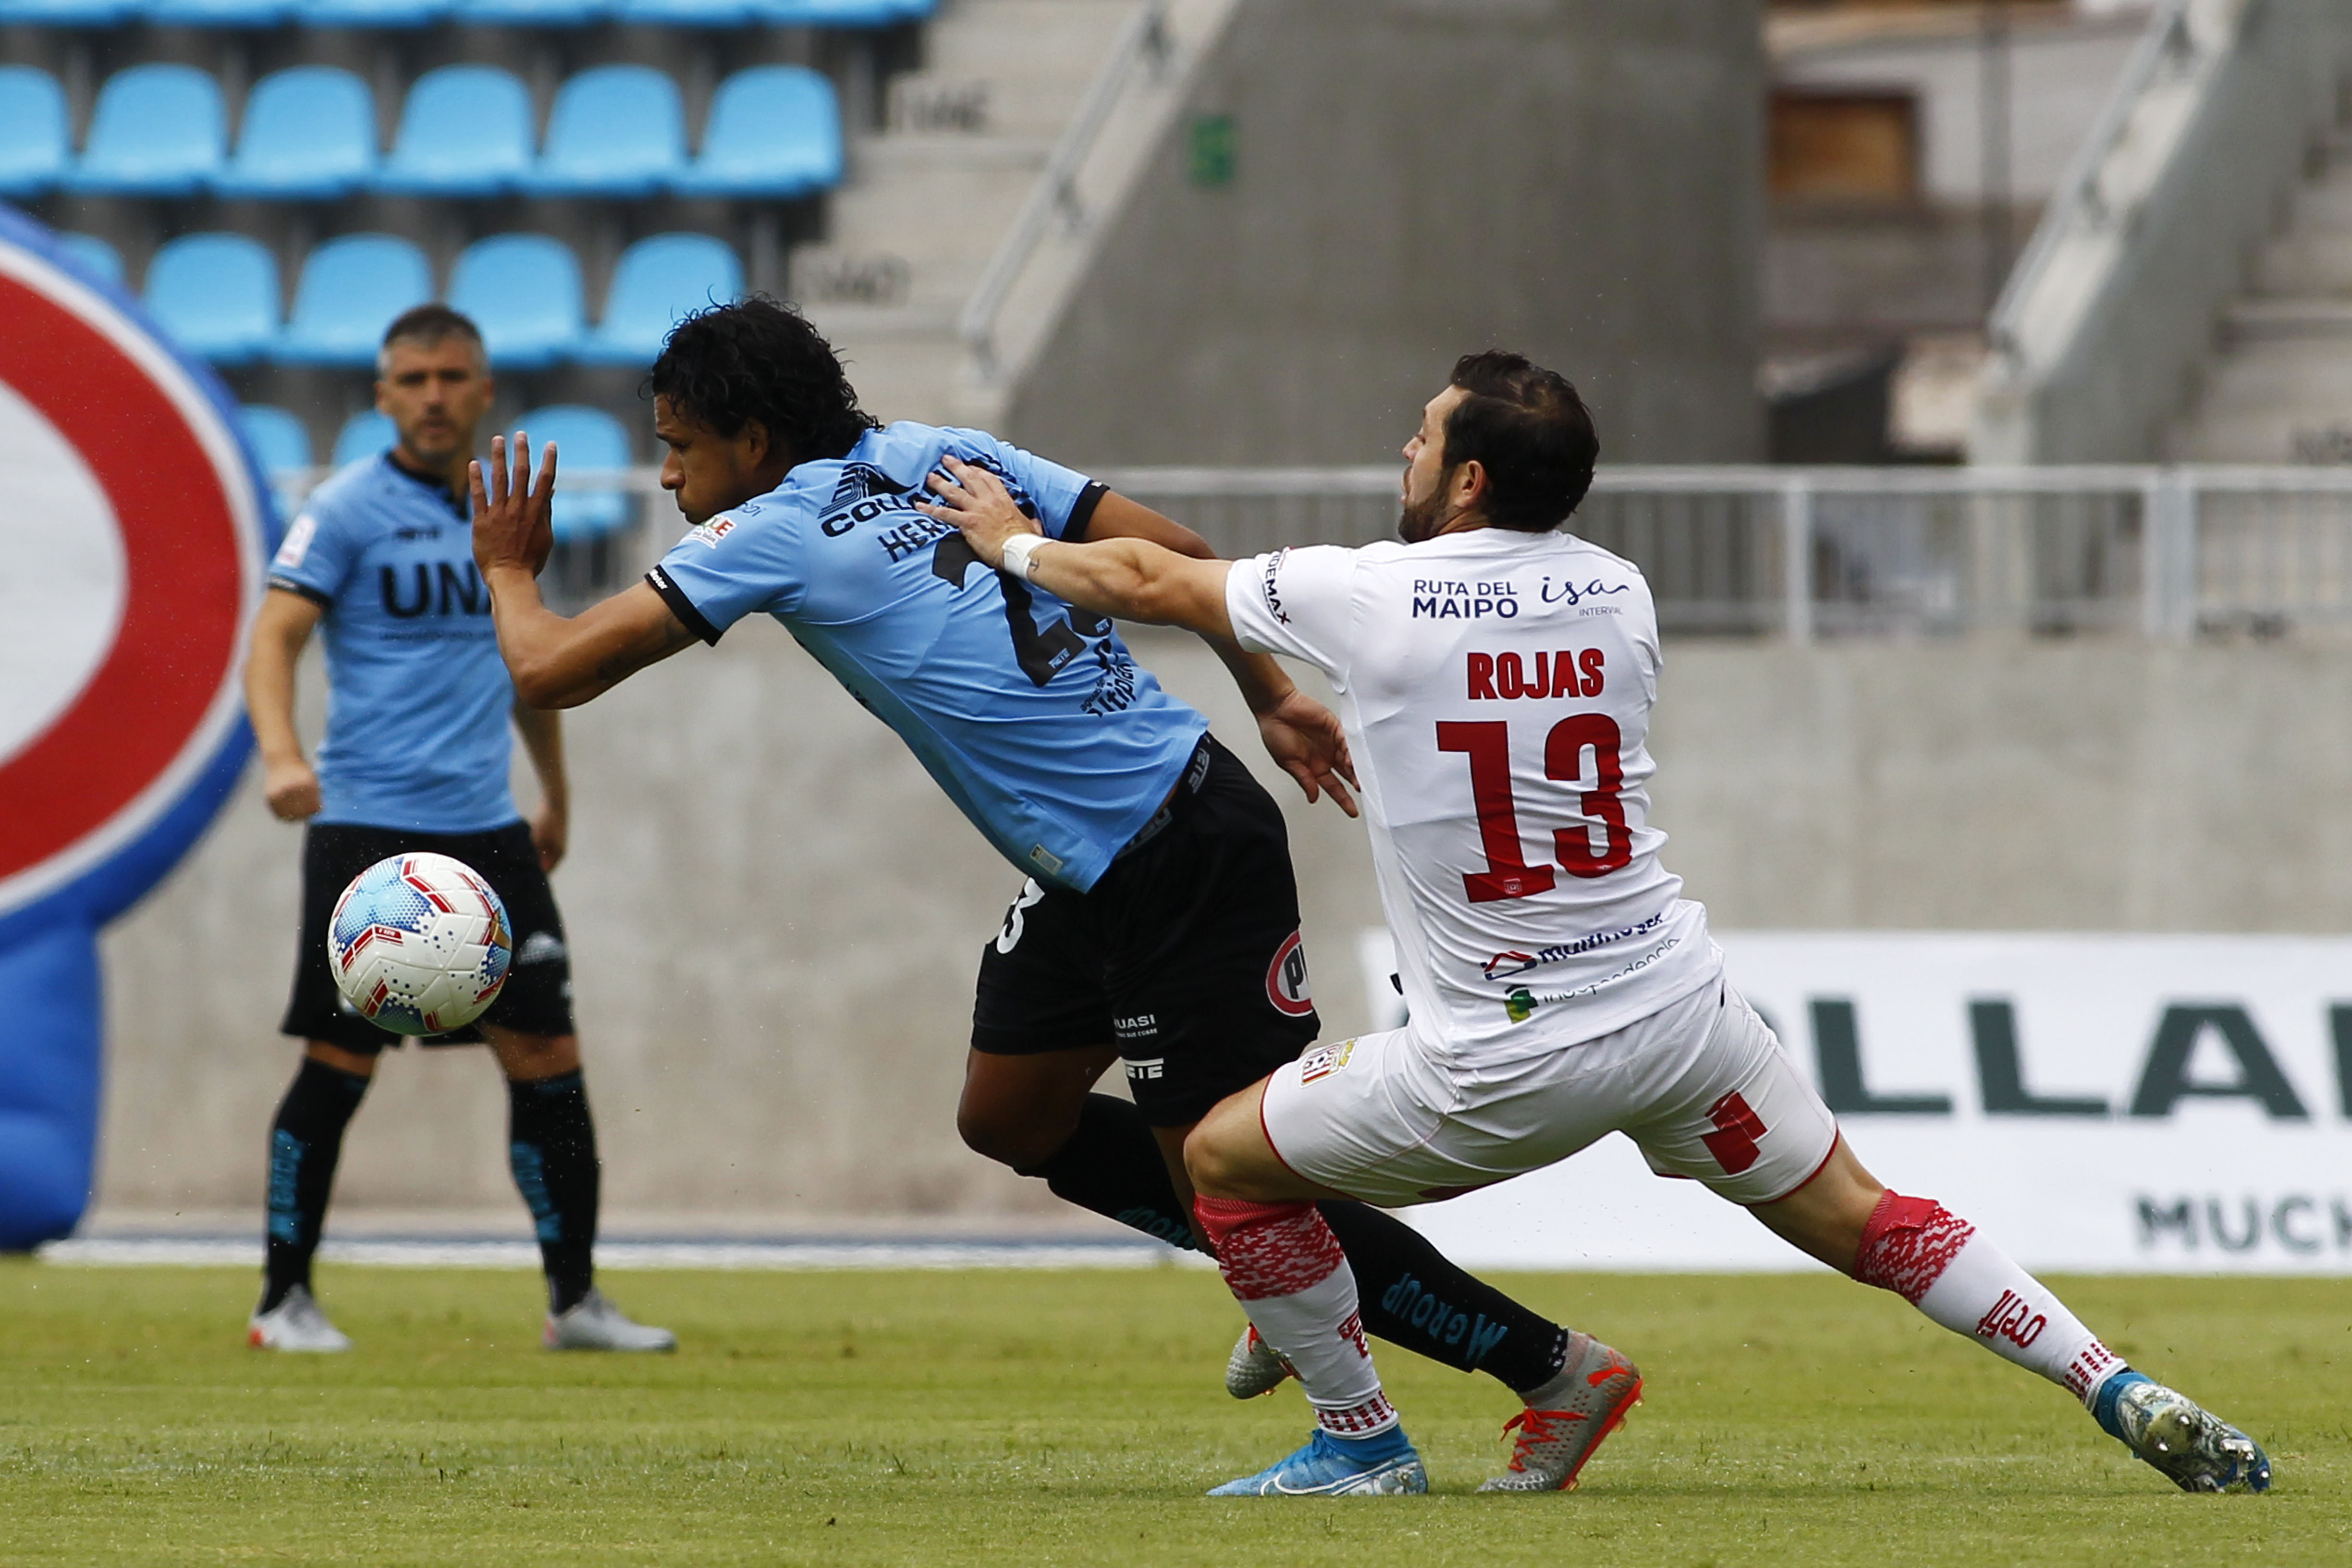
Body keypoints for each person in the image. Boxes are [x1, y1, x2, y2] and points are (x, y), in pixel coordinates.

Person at [919, 349, 2274, 1499]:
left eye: (1424, 436)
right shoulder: (1621, 590)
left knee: (1222, 1161)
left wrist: (1010, 544)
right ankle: (2112, 1381)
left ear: (1467, 481)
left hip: (1502, 1059)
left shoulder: (1370, 594)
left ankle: (1358, 1439)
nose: (1405, 451)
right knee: (1874, 1220)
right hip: (1684, 1020)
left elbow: (1147, 583)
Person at [466, 300, 1619, 1474]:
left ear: (754, 440)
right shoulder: (944, 452)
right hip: (1106, 866)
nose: (666, 475)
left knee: (1231, 1182)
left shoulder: (773, 530)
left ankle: (1528, 1379)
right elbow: (1182, 551)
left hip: (1177, 855)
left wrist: (508, 569)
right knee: (1012, 1118)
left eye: (678, 446)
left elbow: (548, 668)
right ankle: (1277, 1270)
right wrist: (1266, 691)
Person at [244, 305, 672, 1355]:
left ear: (485, 391)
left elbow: (530, 665)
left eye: (451, 377)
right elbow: (275, 637)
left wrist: (554, 794)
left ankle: (575, 1303)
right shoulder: (344, 509)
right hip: (367, 829)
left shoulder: (503, 524)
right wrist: (282, 756)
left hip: (489, 832)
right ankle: (281, 1303)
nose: (433, 396)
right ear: (382, 396)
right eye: (413, 379)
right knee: (341, 1060)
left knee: (549, 1056)